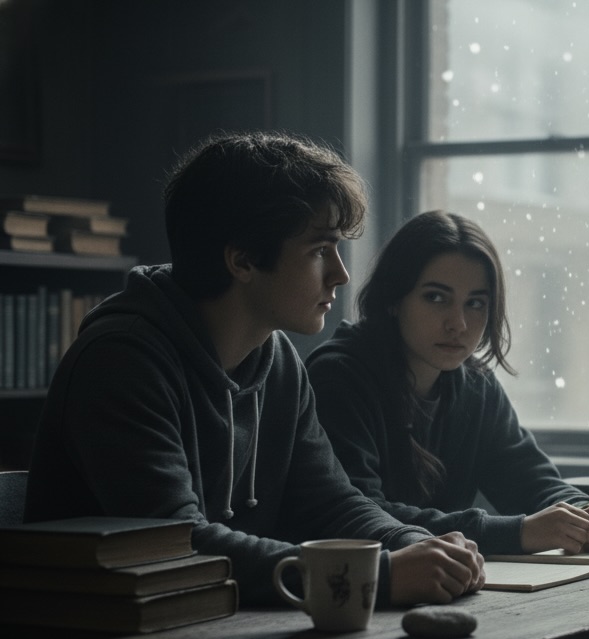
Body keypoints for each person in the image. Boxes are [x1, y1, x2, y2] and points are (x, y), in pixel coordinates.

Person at [24, 132, 485, 607]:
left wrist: (411, 543)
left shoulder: (278, 359)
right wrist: (380, 577)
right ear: (242, 259)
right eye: (319, 250)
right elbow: (176, 543)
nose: (341, 274)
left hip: (212, 629)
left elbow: (331, 503)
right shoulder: (121, 361)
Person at [305, 210, 589, 556]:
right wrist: (517, 532)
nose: (458, 323)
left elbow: (530, 479)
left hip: (447, 584)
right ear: (394, 299)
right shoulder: (339, 377)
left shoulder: (475, 386)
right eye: (436, 298)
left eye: (475, 304)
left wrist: (588, 513)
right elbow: (359, 516)